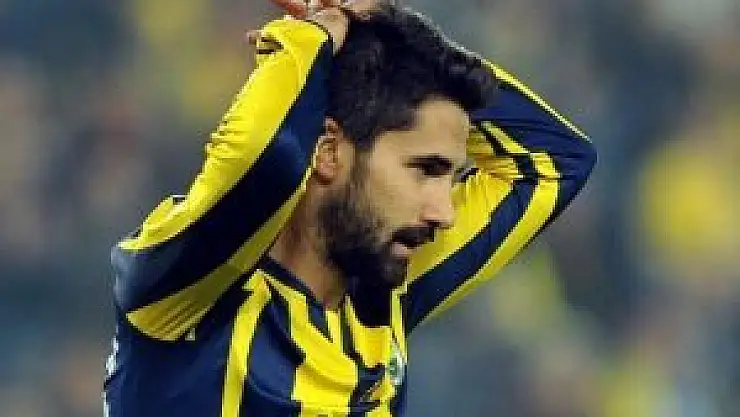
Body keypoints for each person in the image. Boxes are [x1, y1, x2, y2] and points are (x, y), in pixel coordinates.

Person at [103, 1, 596, 416]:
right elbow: (269, 159)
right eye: (425, 169)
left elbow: (556, 162)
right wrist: (311, 39)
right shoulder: (187, 291)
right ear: (328, 152)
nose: (444, 212)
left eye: (450, 176)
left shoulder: (383, 289)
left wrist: (396, 32)